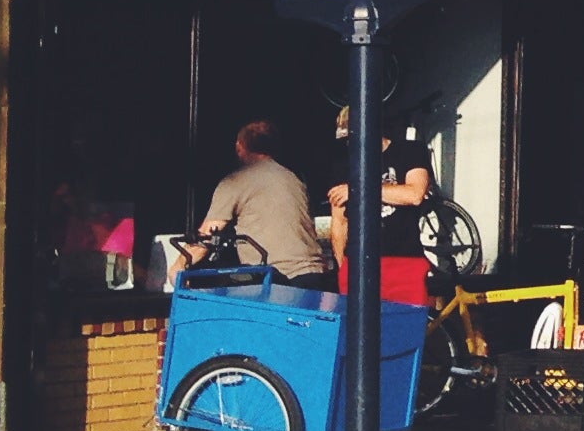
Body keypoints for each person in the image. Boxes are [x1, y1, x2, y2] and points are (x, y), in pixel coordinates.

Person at [180, 122, 329, 283]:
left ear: (239, 147)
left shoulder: (235, 181)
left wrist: (178, 268)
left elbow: (207, 236)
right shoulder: (294, 179)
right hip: (315, 274)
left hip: (277, 279)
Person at [328, 110, 438, 306]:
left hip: (403, 261)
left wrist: (359, 190)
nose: (350, 144)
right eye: (345, 139)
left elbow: (414, 195)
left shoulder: (409, 151)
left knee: (405, 330)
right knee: (356, 332)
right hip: (358, 264)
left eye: (353, 136)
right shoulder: (345, 166)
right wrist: (342, 266)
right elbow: (339, 221)